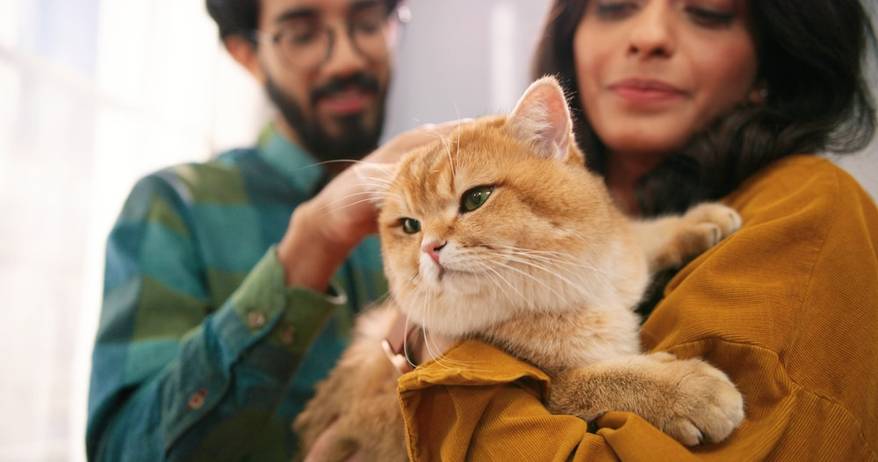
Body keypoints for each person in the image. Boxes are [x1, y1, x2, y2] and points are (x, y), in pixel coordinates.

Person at [394, 0, 878, 460]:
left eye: (706, 13)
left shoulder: (808, 207)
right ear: (573, 39)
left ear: (773, 63)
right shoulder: (563, 213)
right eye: (614, 6)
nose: (649, 38)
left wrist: (431, 355)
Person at [86, 0, 455, 460]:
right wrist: (313, 241)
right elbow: (123, 451)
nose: (347, 58)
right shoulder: (175, 207)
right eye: (302, 34)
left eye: (366, 23)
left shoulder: (441, 213)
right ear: (246, 54)